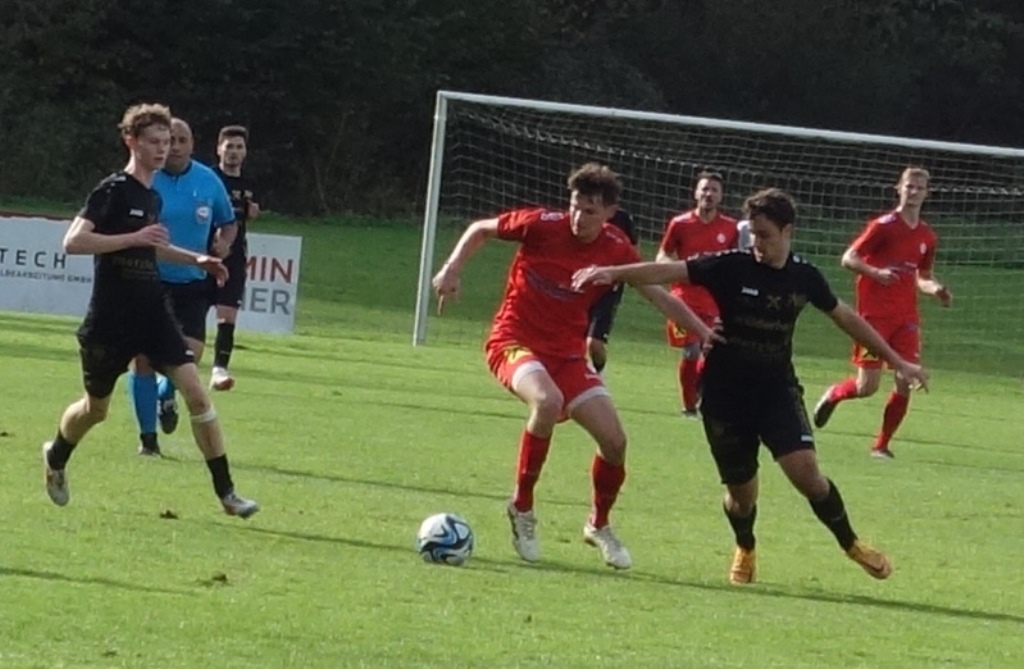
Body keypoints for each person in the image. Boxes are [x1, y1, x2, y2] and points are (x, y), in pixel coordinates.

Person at [572, 188, 929, 584]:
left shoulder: (804, 276)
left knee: (807, 474)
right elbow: (666, 271)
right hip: (724, 396)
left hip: (776, 392)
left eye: (765, 235)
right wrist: (613, 273)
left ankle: (852, 544)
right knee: (742, 498)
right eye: (753, 234)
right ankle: (745, 546)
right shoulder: (731, 266)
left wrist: (898, 361)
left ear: (788, 231)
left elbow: (847, 318)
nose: (757, 243)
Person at [431, 163, 717, 570]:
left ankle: (599, 524)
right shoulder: (541, 225)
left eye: (590, 211)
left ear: (610, 213)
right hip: (514, 341)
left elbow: (659, 295)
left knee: (615, 442)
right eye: (575, 207)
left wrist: (705, 333)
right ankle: (522, 506)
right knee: (547, 401)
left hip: (566, 356)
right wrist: (452, 268)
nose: (579, 218)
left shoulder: (616, 247)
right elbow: (480, 229)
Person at [42, 102, 258, 518]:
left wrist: (196, 260)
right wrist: (132, 238)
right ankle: (56, 456)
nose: (163, 149)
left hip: (153, 314)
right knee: (95, 410)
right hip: (110, 319)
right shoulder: (112, 191)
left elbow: (150, 245)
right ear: (131, 141)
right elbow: (74, 242)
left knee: (197, 395)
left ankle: (228, 493)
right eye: (154, 142)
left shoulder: (153, 195)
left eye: (166, 141)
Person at [812, 167, 951, 459]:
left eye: (920, 188)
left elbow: (922, 276)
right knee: (867, 387)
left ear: (927, 193)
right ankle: (835, 394)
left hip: (906, 319)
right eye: (909, 186)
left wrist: (935, 289)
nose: (914, 192)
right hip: (873, 318)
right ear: (898, 189)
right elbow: (848, 258)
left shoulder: (927, 236)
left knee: (906, 380)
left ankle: (881, 446)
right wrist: (874, 272)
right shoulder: (883, 226)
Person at [129, 117, 237, 456]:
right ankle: (148, 440)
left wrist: (224, 243)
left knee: (187, 359)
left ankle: (167, 395)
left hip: (192, 284)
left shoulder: (208, 181)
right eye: (168, 140)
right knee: (143, 360)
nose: (173, 147)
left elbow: (229, 222)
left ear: (192, 144)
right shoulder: (146, 179)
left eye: (181, 140)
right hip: (149, 281)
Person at [656, 171, 738, 418]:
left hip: (713, 302)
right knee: (691, 349)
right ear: (695, 193)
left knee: (710, 352)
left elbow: (735, 262)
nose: (708, 194)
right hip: (682, 299)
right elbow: (663, 255)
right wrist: (676, 270)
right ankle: (689, 405)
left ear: (721, 196)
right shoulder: (680, 224)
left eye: (714, 190)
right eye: (704, 189)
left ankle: (702, 392)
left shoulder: (730, 228)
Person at [209, 125, 260, 391]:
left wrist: (253, 213)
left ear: (245, 152)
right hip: (205, 254)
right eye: (229, 146)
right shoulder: (208, 179)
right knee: (189, 312)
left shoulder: (249, 185)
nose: (234, 152)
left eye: (239, 147)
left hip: (235, 255)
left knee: (227, 314)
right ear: (219, 149)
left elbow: (247, 214)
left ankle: (219, 369)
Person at [586, 208, 639, 374]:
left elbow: (633, 251)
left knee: (594, 343)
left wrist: (622, 273)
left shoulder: (622, 218)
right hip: (581, 286)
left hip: (608, 290)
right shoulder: (582, 214)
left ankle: (600, 377)